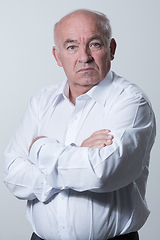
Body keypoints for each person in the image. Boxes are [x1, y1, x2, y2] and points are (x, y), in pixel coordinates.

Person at [3, 9, 156, 240]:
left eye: (94, 44)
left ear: (111, 49)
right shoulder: (41, 102)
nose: (84, 57)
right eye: (71, 46)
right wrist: (80, 152)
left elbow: (101, 173)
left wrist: (40, 149)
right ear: (57, 56)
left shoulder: (132, 102)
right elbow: (12, 175)